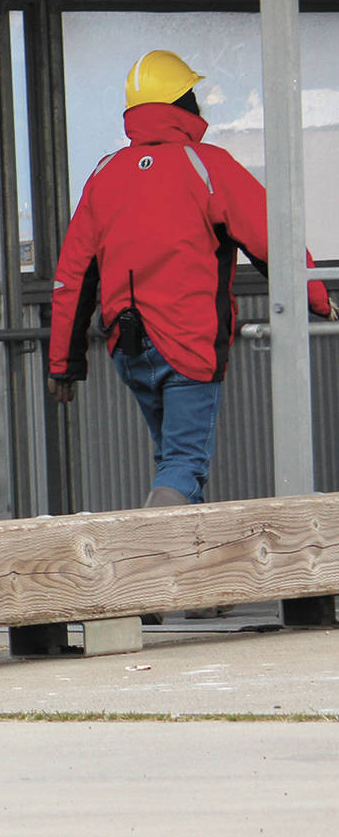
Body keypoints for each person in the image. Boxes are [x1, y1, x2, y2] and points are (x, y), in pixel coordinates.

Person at [48, 50, 334, 506]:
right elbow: (273, 238)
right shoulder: (207, 165)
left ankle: (184, 566)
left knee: (171, 460)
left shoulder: (104, 173)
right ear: (185, 104)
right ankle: (157, 553)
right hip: (188, 342)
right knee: (184, 464)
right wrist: (318, 299)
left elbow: (73, 277)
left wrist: (64, 363)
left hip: (129, 346)